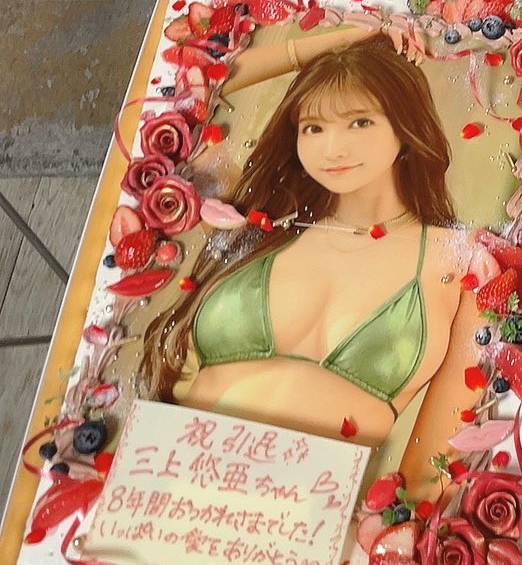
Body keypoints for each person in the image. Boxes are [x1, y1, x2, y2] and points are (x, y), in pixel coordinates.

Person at [140, 28, 481, 497]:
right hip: (165, 489)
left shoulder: (461, 260)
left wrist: (392, 531)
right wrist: (341, 43)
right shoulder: (256, 218)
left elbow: (431, 469)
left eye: (360, 122)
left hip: (302, 525)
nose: (332, 149)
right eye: (313, 127)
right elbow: (178, 99)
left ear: (406, 129)